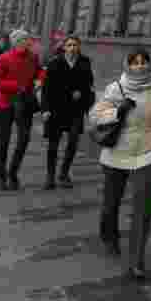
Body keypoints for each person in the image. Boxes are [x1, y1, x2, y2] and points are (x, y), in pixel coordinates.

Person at [88, 49, 151, 281]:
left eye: (144, 62)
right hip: (118, 153)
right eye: (135, 63)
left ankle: (137, 261)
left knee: (144, 209)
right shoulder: (116, 88)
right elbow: (95, 116)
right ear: (127, 65)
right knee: (111, 203)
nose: (140, 66)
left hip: (147, 151)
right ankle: (109, 235)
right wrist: (117, 111)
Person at [0, 29, 46, 192]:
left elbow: (40, 70)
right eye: (25, 40)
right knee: (3, 142)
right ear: (16, 42)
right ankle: (1, 177)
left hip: (25, 104)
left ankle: (13, 173)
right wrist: (16, 86)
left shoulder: (32, 57)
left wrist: (40, 80)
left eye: (28, 40)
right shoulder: (3, 58)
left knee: (24, 140)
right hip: (6, 104)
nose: (29, 42)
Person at [41, 36, 95, 189]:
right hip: (56, 109)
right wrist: (45, 109)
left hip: (75, 110)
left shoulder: (85, 62)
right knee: (53, 144)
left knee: (73, 141)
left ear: (79, 47)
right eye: (69, 45)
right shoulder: (55, 63)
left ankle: (64, 173)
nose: (72, 48)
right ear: (64, 47)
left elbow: (89, 84)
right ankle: (50, 176)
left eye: (75, 45)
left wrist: (83, 96)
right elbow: (46, 89)